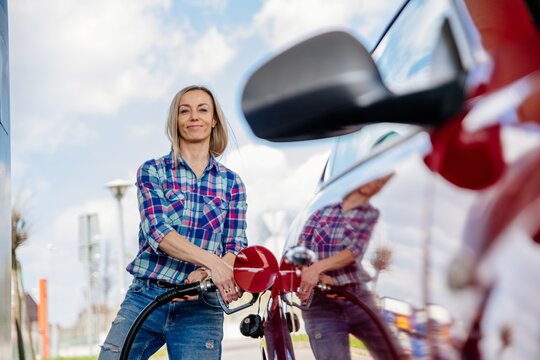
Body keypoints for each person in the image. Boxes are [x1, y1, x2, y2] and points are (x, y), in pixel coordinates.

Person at [99, 85, 248, 360]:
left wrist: (204, 274)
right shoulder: (152, 171)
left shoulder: (232, 183)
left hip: (201, 305)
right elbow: (158, 232)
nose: (194, 116)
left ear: (214, 119)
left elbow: (235, 245)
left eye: (203, 109)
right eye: (184, 110)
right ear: (176, 121)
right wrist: (214, 264)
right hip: (147, 294)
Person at [297, 172, 404, 360]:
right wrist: (314, 276)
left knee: (394, 352)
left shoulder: (370, 214)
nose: (374, 182)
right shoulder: (321, 211)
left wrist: (317, 269)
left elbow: (353, 251)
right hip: (321, 304)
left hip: (357, 297)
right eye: (374, 175)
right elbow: (300, 252)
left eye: (381, 181)